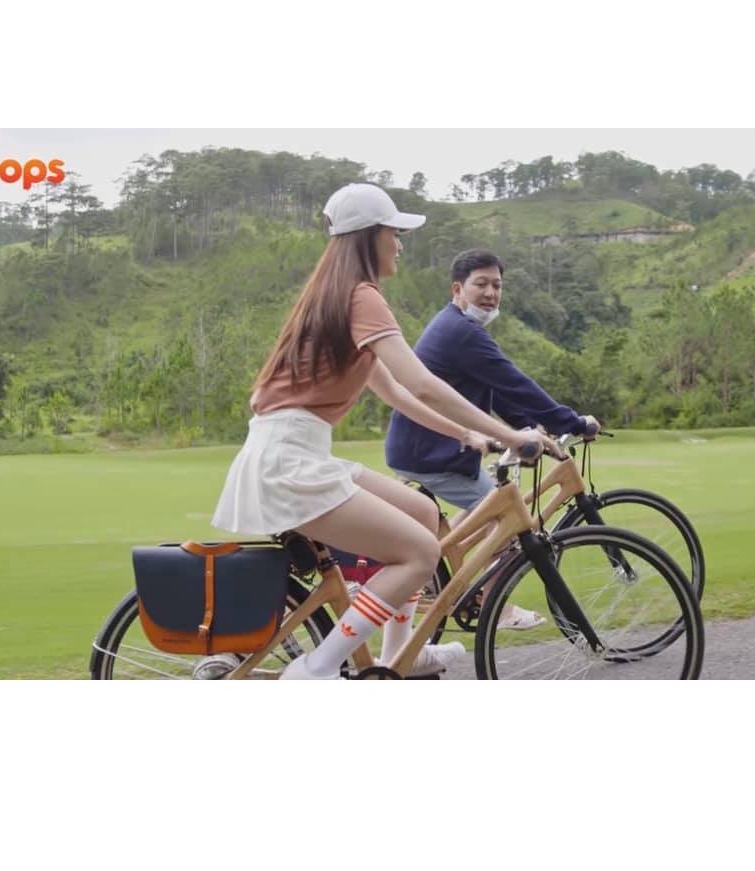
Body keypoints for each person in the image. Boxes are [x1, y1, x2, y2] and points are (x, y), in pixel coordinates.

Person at [210, 185, 556, 679]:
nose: (399, 244)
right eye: (394, 233)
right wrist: (514, 435)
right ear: (370, 237)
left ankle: (402, 655)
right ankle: (316, 668)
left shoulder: (334, 297)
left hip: (292, 451)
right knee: (421, 553)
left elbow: (396, 393)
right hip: (290, 460)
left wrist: (466, 434)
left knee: (422, 512)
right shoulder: (361, 297)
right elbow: (422, 383)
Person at [385, 248, 600, 629]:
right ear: (457, 289)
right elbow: (514, 381)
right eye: (480, 284)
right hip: (432, 454)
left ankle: (441, 576)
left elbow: (499, 393)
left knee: (483, 519)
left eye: (496, 285)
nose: (490, 293)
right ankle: (491, 605)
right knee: (509, 522)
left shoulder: (458, 327)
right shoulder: (462, 333)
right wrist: (572, 421)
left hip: (427, 449)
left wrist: (530, 426)